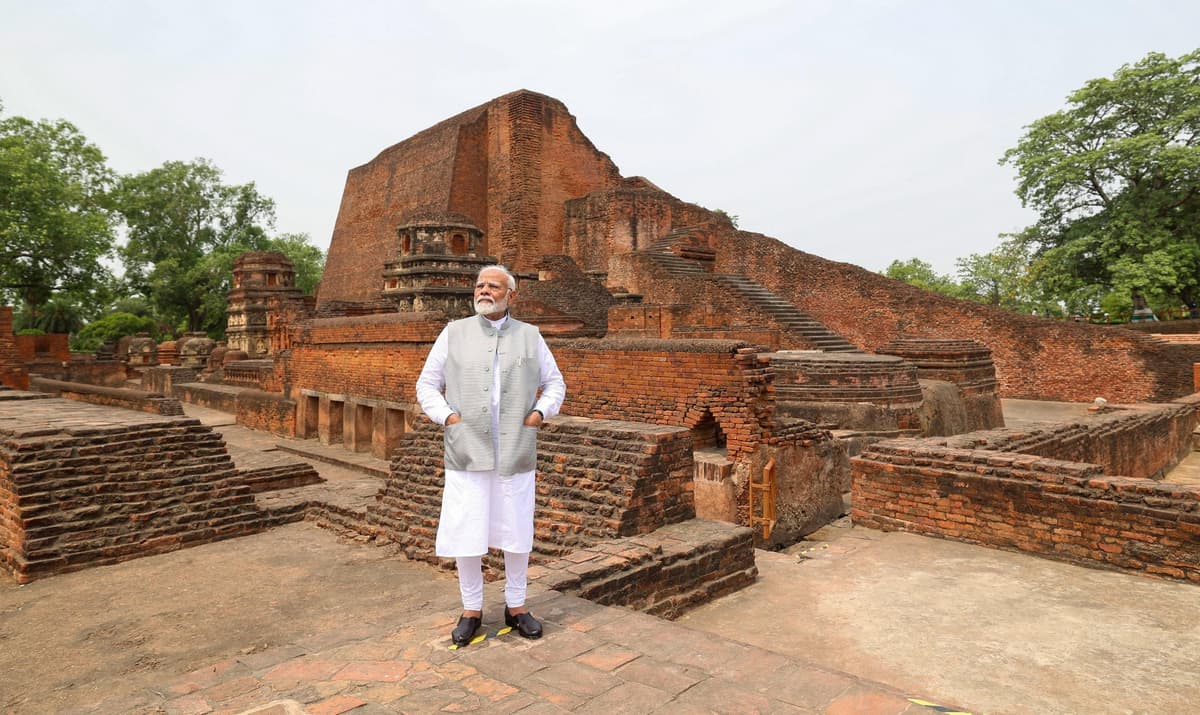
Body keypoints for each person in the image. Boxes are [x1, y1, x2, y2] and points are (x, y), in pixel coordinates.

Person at [415, 264, 566, 645]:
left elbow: (555, 383)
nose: (484, 290)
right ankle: (471, 609)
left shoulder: (530, 336)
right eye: (480, 285)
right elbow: (427, 384)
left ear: (511, 294)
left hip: (516, 447)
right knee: (467, 528)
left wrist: (539, 413)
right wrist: (448, 417)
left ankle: (517, 606)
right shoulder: (454, 332)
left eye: (493, 286)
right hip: (467, 447)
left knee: (516, 529)